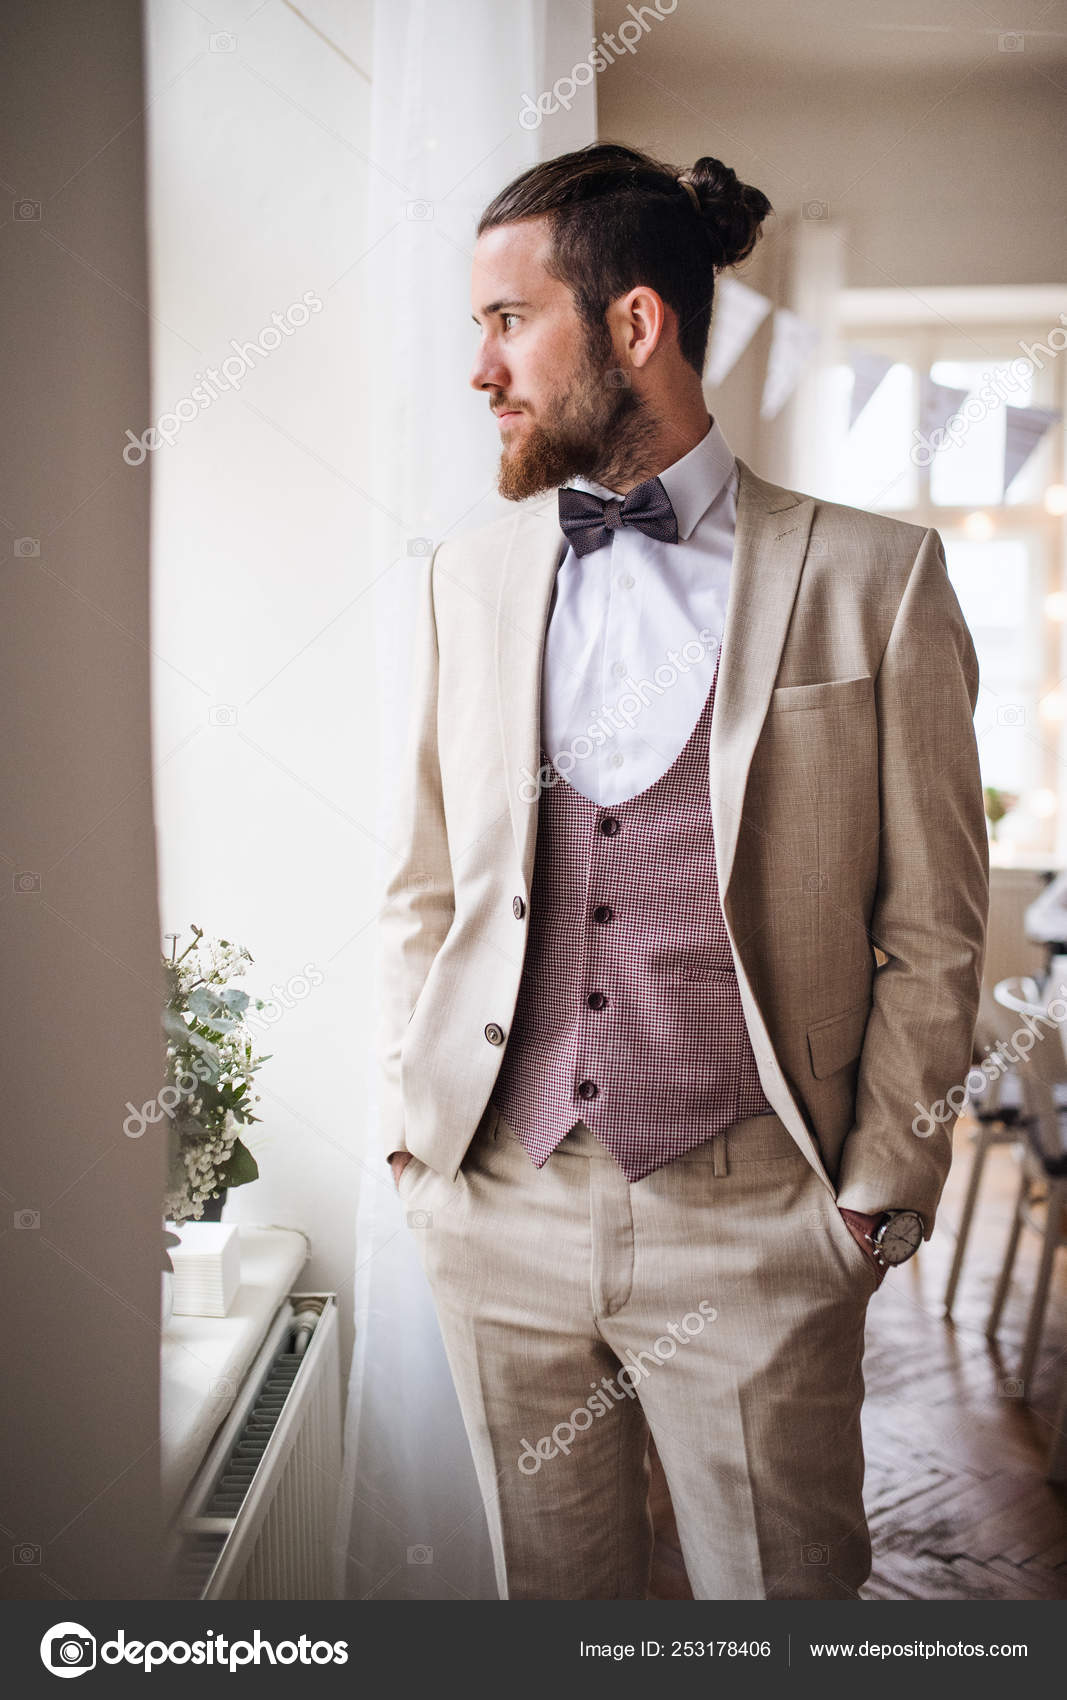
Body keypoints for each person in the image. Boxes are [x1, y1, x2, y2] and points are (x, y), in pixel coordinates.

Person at [377, 143, 989, 1600]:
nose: (481, 368)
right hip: (497, 1203)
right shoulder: (470, 577)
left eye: (507, 320)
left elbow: (937, 928)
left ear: (633, 325)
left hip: (761, 1218)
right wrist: (419, 1145)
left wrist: (871, 1192)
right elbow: (422, 884)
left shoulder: (873, 578)